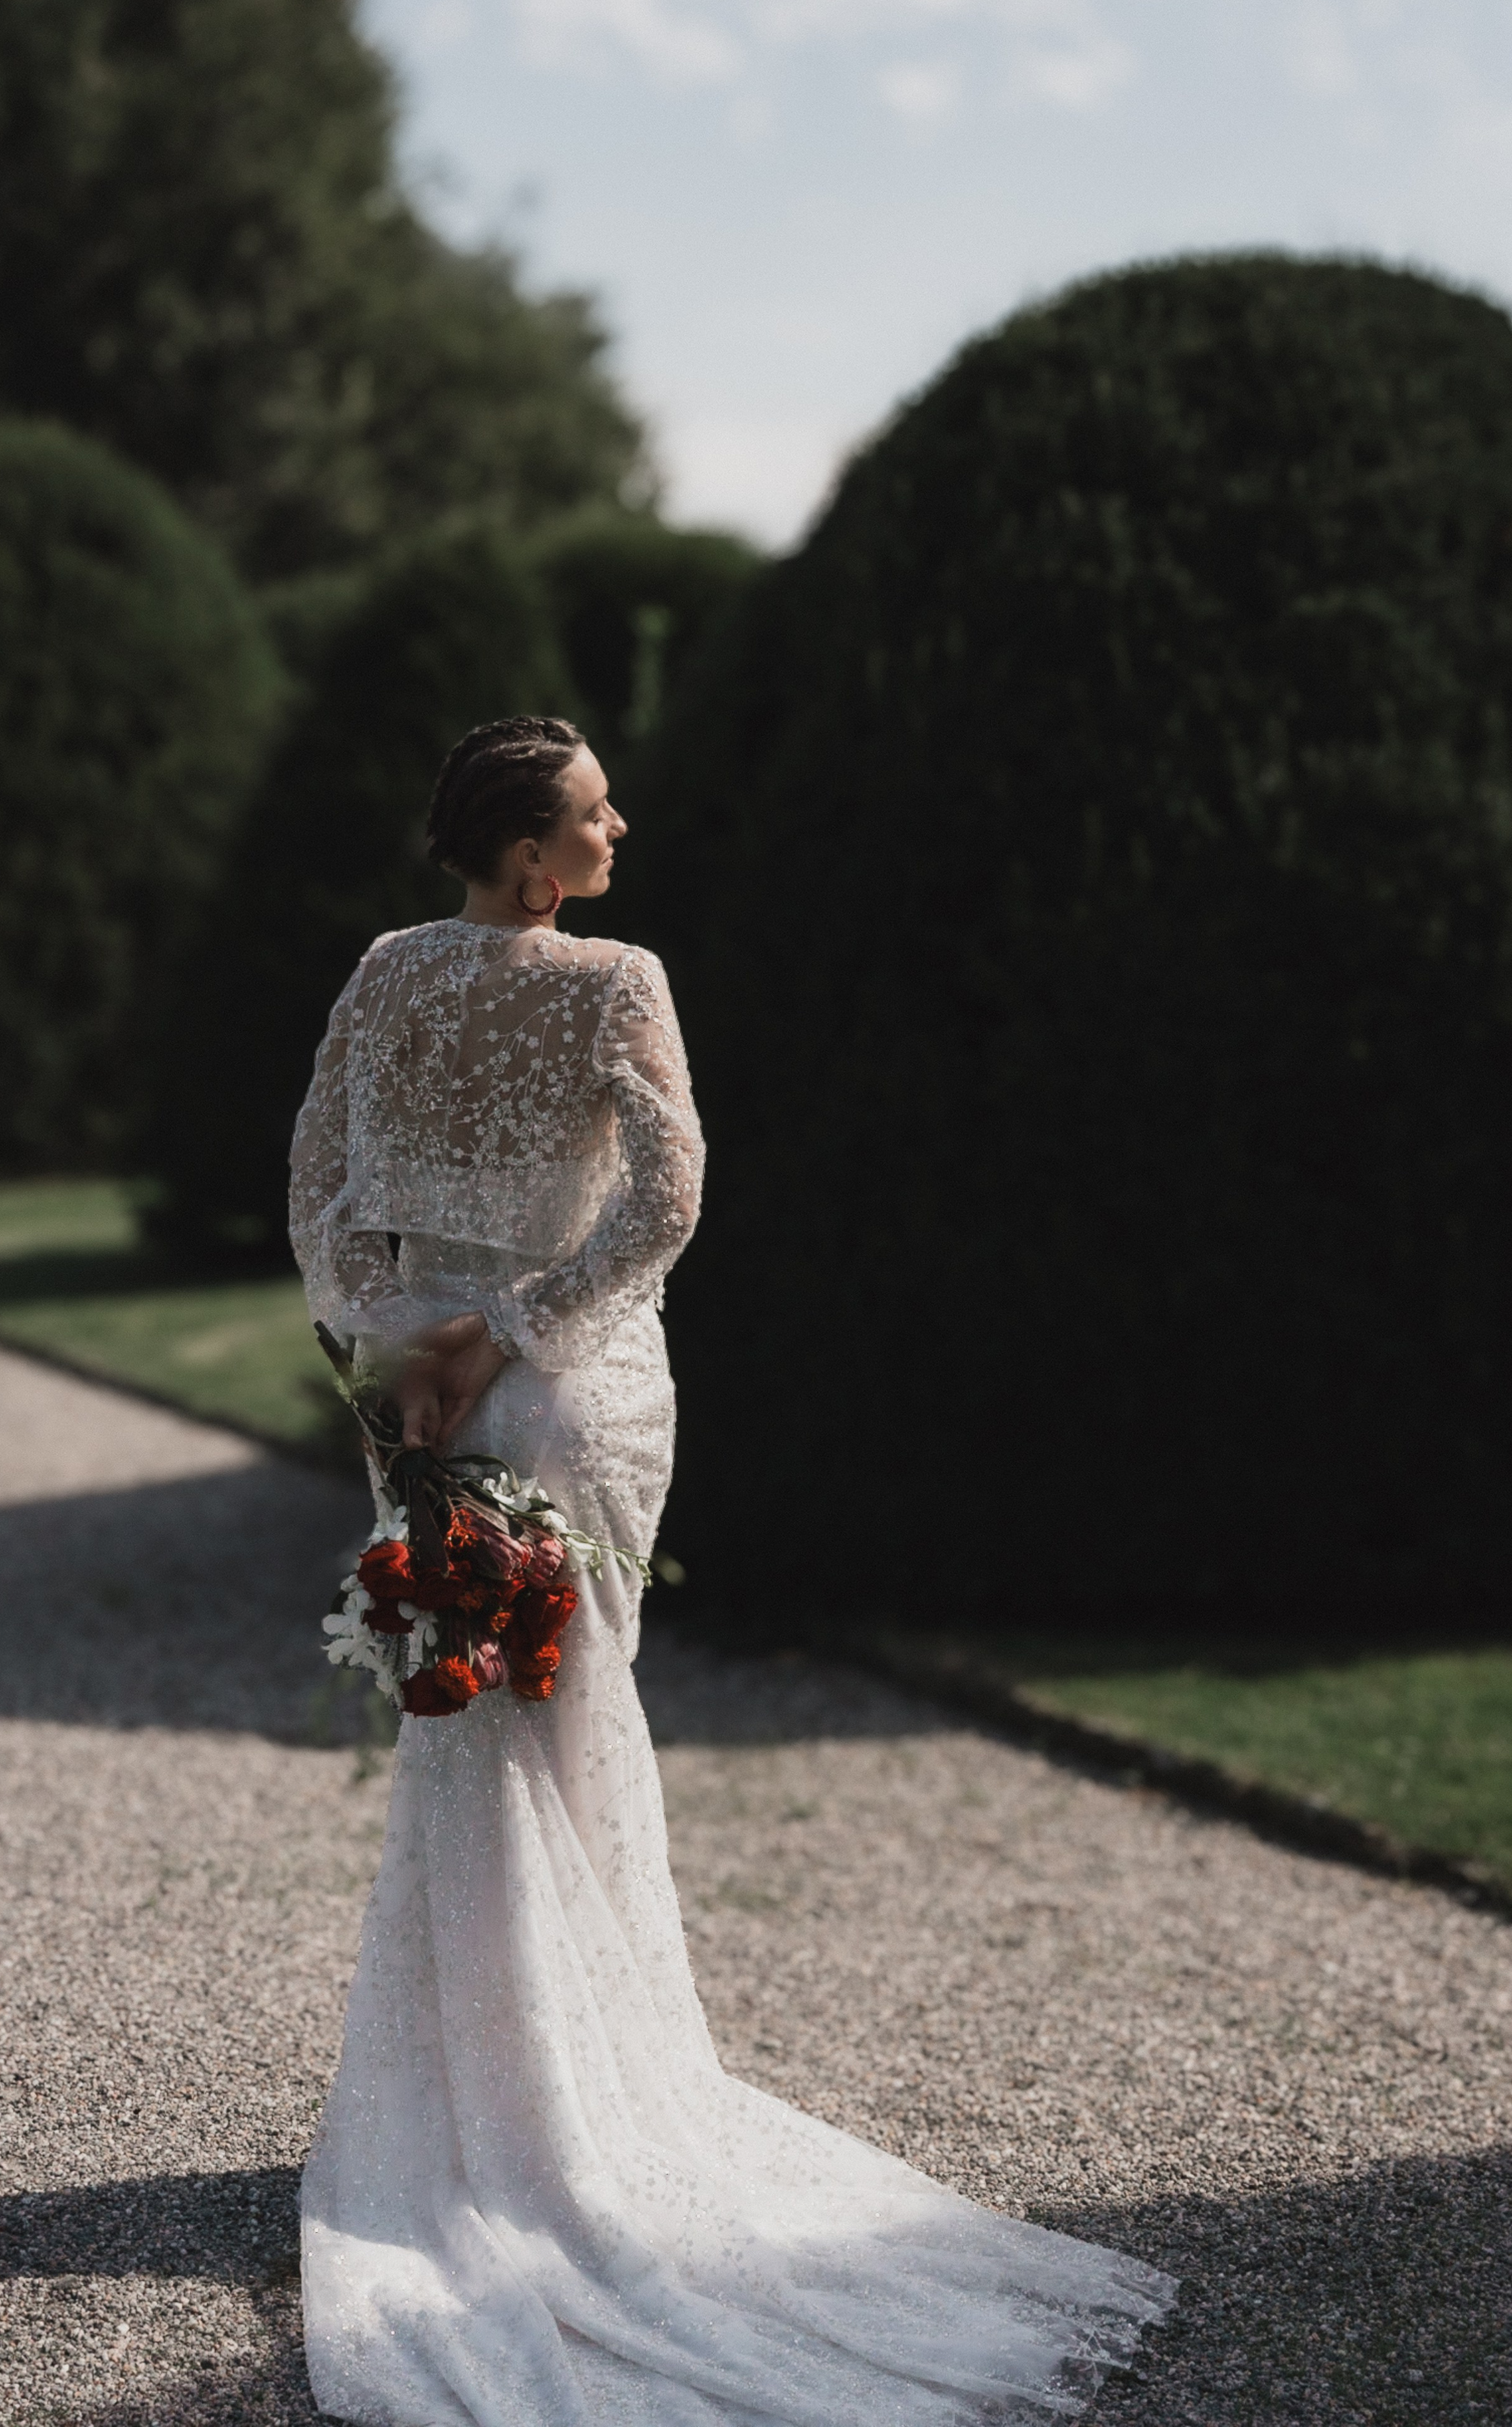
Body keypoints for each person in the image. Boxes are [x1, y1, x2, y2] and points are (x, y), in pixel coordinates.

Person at [288, 714, 1174, 2424]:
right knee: (558, 1706)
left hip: (422, 1380)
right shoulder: (617, 973)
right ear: (533, 858)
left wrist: (387, 1340)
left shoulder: (387, 967)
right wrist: (515, 1336)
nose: (622, 823)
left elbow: (320, 1170)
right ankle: (573, 2114)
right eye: (592, 809)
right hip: (557, 1390)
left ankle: (481, 2109)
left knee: (469, 1714)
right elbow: (670, 1193)